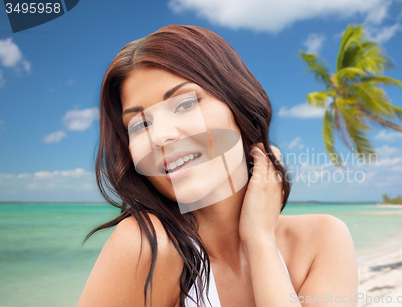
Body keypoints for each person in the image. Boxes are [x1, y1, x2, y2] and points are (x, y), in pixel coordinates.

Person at [77, 24, 358, 307]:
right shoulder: (145, 246)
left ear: (240, 105)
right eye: (139, 124)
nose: (160, 136)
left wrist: (259, 241)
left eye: (185, 104)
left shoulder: (322, 240)